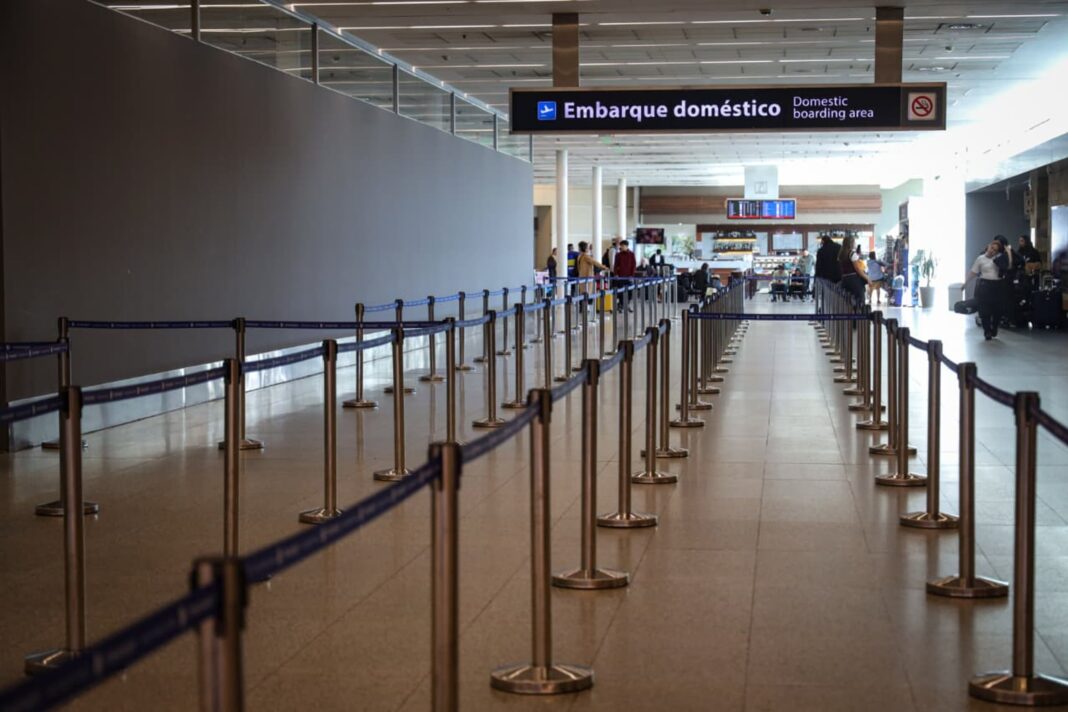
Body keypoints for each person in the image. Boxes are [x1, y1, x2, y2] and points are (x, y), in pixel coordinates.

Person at [966, 239, 1009, 340]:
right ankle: (987, 331)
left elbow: (1008, 266)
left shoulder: (1000, 258)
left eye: (995, 250)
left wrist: (1008, 253)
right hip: (984, 285)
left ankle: (994, 327)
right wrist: (965, 283)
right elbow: (973, 272)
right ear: (988, 246)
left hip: (997, 286)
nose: (992, 251)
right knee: (984, 310)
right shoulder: (980, 258)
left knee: (997, 310)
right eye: (991, 248)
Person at [838, 236, 870, 305]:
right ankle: (860, 311)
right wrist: (867, 278)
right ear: (851, 243)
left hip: (844, 279)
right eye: (854, 242)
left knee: (848, 300)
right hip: (854, 280)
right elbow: (857, 269)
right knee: (860, 300)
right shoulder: (852, 254)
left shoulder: (841, 254)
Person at [614, 239, 637, 310]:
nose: (621, 247)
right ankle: (621, 305)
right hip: (620, 276)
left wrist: (632, 275)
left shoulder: (631, 254)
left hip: (629, 276)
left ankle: (628, 304)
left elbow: (634, 265)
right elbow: (615, 265)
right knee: (620, 291)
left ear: (626, 246)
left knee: (629, 291)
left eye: (623, 246)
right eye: (621, 246)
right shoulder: (618, 255)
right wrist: (616, 274)